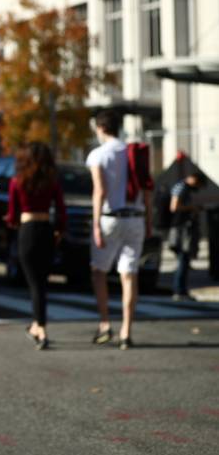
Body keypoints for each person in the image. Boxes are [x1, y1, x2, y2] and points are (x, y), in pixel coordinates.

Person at [86, 109, 151, 351]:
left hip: (110, 217)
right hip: (136, 218)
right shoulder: (134, 152)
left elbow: (99, 191)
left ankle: (105, 323)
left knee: (99, 272)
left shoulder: (98, 155)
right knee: (129, 275)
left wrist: (94, 224)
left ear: (100, 128)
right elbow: (147, 190)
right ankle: (126, 330)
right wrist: (149, 219)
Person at [4, 142, 66, 350]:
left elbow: (13, 215)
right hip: (47, 230)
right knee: (42, 284)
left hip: (28, 231)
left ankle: (40, 328)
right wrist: (59, 230)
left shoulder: (17, 181)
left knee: (34, 284)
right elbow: (61, 210)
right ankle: (36, 325)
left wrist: (11, 221)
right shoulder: (52, 181)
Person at [169, 171, 207, 300]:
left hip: (180, 228)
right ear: (194, 179)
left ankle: (180, 290)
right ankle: (179, 290)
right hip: (181, 228)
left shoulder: (182, 187)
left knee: (184, 259)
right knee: (183, 259)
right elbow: (174, 206)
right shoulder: (182, 187)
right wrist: (192, 208)